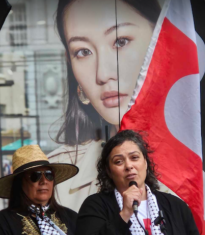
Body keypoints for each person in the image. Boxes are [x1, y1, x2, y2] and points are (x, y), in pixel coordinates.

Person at [48, 0, 164, 211]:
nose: (102, 73)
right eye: (83, 52)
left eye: (120, 41)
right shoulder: (52, 180)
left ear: (161, 41)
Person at [75, 130, 199, 235]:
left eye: (134, 158)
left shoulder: (176, 206)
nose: (129, 166)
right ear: (108, 171)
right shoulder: (94, 206)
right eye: (118, 161)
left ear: (145, 163)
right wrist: (124, 214)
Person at [0, 145, 79, 235]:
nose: (44, 181)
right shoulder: (5, 221)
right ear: (20, 183)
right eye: (35, 176)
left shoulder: (71, 217)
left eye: (49, 174)